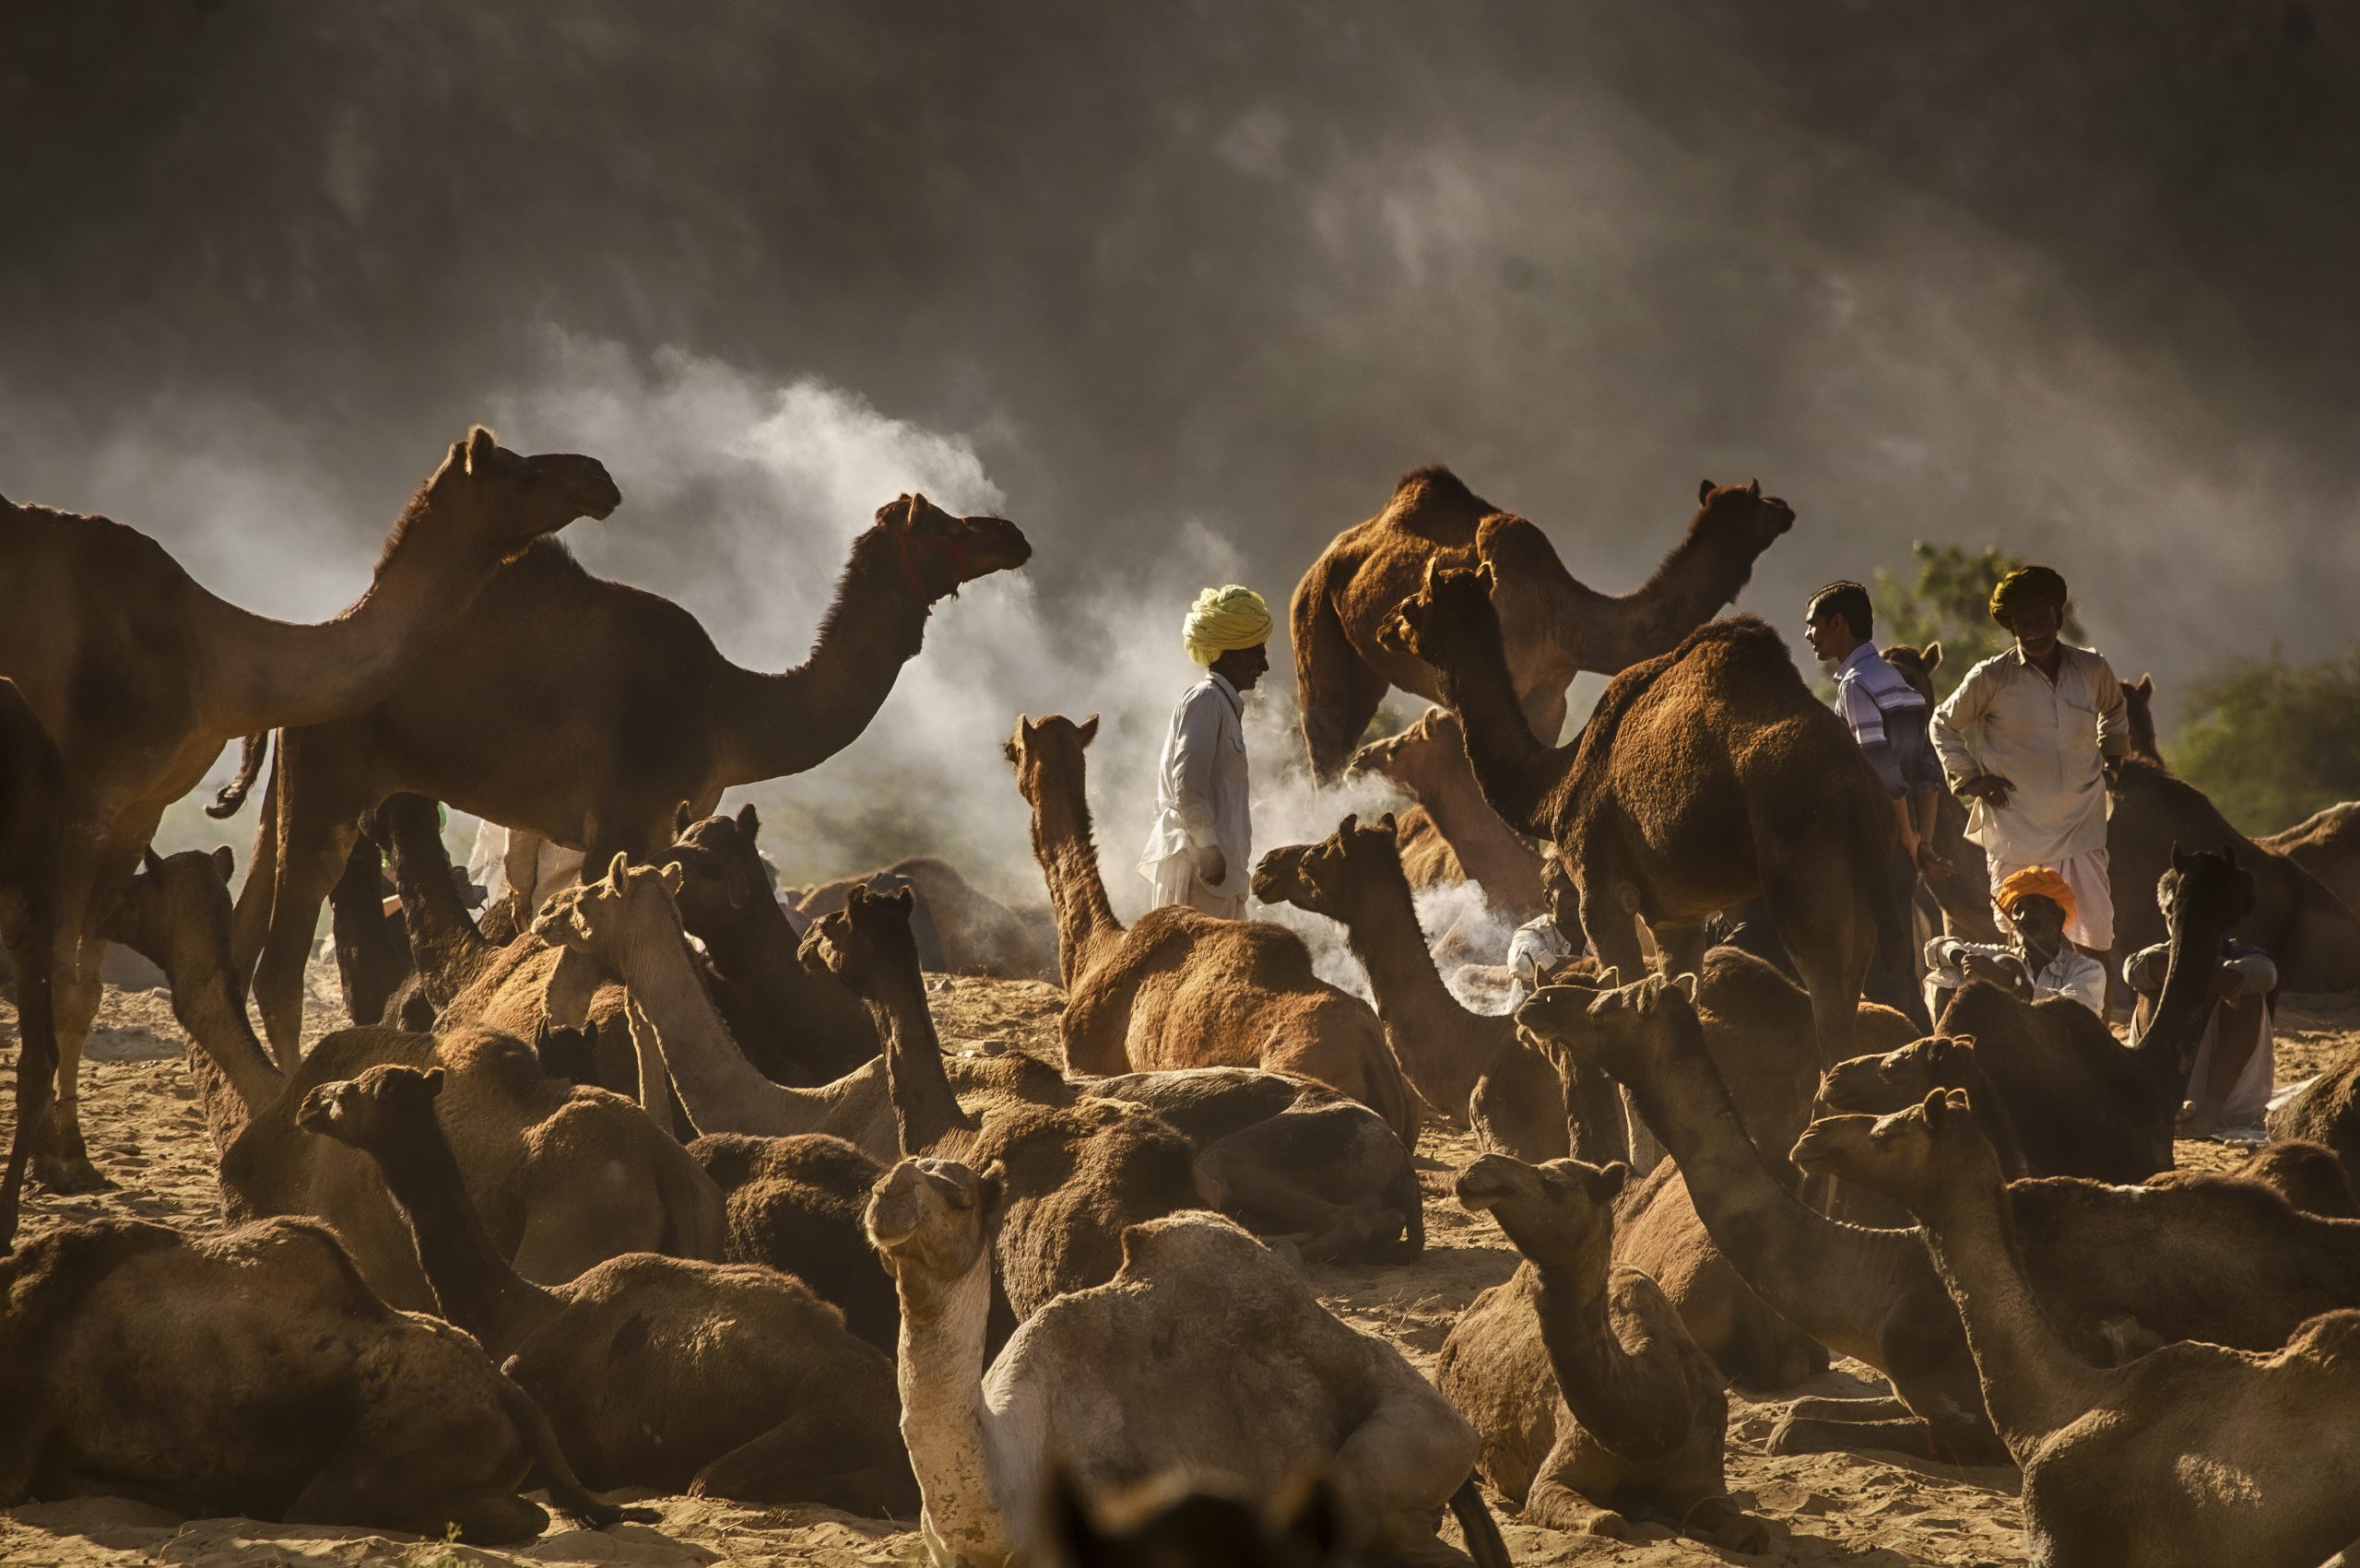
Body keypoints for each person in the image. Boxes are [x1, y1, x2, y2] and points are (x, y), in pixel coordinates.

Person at [1930, 565, 2130, 962]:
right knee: (2022, 940)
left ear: (2059, 617)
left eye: (2042, 620)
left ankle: (2093, 1020)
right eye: (2023, 624)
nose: (2034, 631)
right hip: (2015, 827)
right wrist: (1971, 779)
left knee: (2093, 942)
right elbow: (1942, 725)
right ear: (2012, 628)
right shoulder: (1990, 677)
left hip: (2080, 825)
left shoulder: (2092, 670)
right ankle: (2030, 1020)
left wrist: (2112, 763)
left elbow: (2115, 710)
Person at [1805, 580, 1944, 1028]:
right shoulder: (1899, 684)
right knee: (1900, 961)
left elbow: (1883, 772)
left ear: (1839, 624)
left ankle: (1901, 1057)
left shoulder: (1855, 684)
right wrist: (1923, 842)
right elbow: (1926, 770)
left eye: (1814, 626)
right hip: (1902, 853)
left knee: (1874, 971)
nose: (1809, 635)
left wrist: (1904, 835)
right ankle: (1926, 1048)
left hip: (1872, 847)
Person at [1139, 584, 1270, 918]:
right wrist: (1208, 848)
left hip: (1221, 877)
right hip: (1201, 873)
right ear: (1233, 652)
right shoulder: (1206, 699)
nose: (1264, 665)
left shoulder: (1222, 704)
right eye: (1257, 652)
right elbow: (1187, 784)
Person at [2124, 937, 2278, 1140]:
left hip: (2229, 1102)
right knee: (2151, 989)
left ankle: (2208, 1115)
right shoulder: (2151, 954)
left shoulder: (2251, 957)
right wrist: (2209, 973)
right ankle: (2163, 1098)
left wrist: (2184, 974)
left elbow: (2264, 976)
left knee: (2246, 994)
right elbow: (2136, 972)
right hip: (2161, 1092)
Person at [1922, 865, 2107, 1017]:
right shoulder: (2000, 955)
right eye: (2017, 911)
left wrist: (2012, 983)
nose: (2024, 917)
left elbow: (2073, 1012)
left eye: (2034, 906)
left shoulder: (2087, 969)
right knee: (1948, 974)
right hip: (2009, 1051)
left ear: (2057, 917)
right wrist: (1963, 959)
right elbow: (1936, 947)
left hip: (2060, 1056)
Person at [1505, 849, 1580, 1009]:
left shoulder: (1603, 932)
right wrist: (1576, 967)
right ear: (1548, 899)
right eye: (1567, 893)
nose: (1577, 899)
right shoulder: (1531, 934)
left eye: (1582, 890)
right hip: (1527, 1026)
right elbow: (1520, 961)